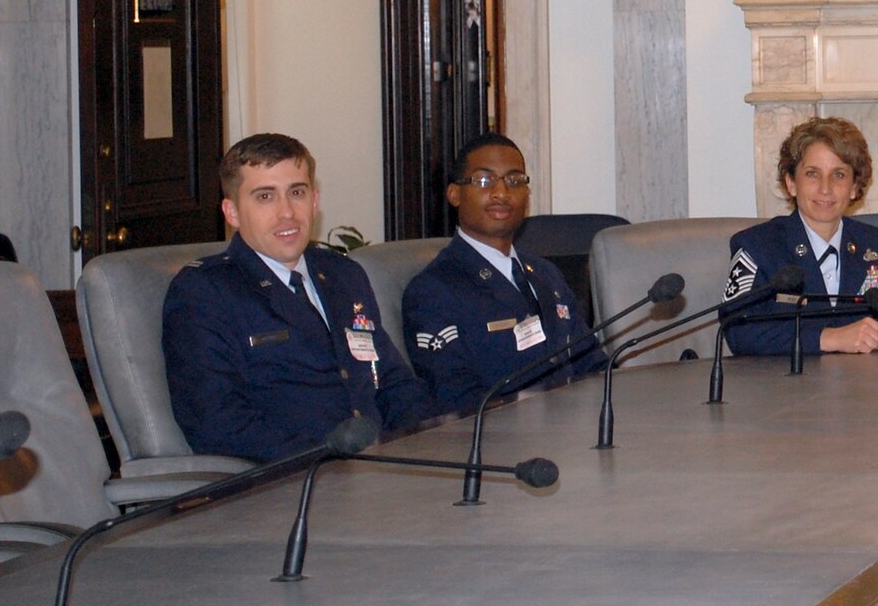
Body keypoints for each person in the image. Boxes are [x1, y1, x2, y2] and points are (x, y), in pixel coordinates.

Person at [163, 134, 432, 461]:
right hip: (294, 482)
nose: (286, 212)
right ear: (231, 212)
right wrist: (329, 461)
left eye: (297, 193)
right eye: (265, 197)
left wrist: (419, 442)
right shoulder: (206, 291)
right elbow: (217, 424)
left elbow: (393, 382)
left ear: (315, 201)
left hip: (382, 470)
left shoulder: (342, 275)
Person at [402, 133, 601, 415]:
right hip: (501, 445)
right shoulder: (434, 290)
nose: (501, 193)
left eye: (514, 181)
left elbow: (592, 364)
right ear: (455, 194)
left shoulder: (546, 274)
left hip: (576, 432)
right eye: (484, 181)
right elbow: (456, 399)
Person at [721, 117, 878, 355]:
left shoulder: (873, 245)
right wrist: (830, 338)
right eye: (813, 174)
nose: (825, 188)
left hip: (864, 387)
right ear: (791, 183)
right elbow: (738, 328)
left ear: (855, 187)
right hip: (788, 387)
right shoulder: (758, 246)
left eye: (839, 175)